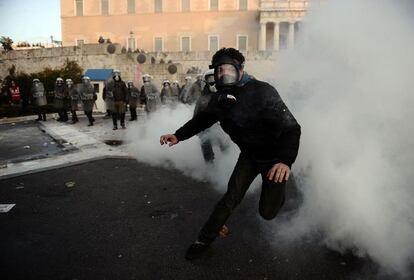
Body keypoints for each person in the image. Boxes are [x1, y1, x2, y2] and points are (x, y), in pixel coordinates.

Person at [159, 48, 301, 260]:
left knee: (268, 213)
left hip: (274, 159)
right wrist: (178, 135)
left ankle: (281, 188)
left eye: (229, 69)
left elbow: (292, 128)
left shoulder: (263, 91)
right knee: (230, 197)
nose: (224, 74)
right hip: (249, 157)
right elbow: (202, 120)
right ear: (214, 74)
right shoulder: (219, 99)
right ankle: (203, 240)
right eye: (219, 70)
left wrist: (284, 161)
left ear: (240, 70)